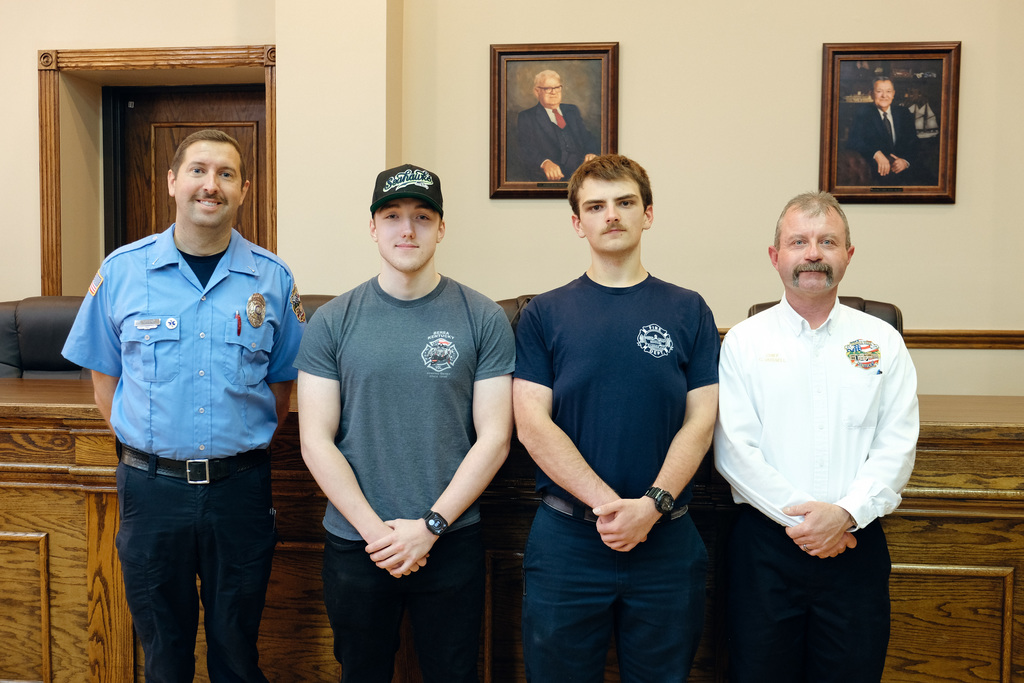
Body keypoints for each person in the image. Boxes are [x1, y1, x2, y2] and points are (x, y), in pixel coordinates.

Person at [62, 129, 305, 682]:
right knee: (164, 655)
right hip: (152, 491)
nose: (210, 185)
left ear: (243, 189)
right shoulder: (122, 271)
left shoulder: (273, 278)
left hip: (239, 492)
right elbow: (105, 385)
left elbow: (281, 390)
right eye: (198, 170)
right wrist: (155, 446)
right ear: (172, 182)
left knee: (237, 652)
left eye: (225, 174)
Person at [295, 163, 515, 683]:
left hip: (451, 538)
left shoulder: (483, 317)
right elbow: (315, 440)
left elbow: (495, 437)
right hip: (357, 542)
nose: (407, 229)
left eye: (422, 216)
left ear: (442, 228)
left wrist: (430, 527)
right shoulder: (332, 320)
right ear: (373, 227)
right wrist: (378, 534)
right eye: (392, 216)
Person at [513, 154, 720, 681]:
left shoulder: (689, 309)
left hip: (666, 540)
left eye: (625, 202)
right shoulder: (543, 314)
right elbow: (532, 424)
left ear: (647, 214)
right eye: (596, 206)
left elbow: (701, 422)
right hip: (568, 543)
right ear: (577, 222)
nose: (611, 215)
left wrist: (650, 507)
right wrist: (612, 509)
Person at [714, 191, 919, 682]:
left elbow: (896, 444)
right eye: (798, 242)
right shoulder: (744, 341)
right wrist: (810, 524)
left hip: (855, 545)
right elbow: (734, 450)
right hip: (765, 550)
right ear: (775, 256)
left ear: (848, 255)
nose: (813, 253)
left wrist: (843, 515)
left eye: (827, 241)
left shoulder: (883, 341)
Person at [516, 69, 600, 182]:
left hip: (581, 172)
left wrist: (591, 152)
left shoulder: (572, 110)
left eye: (557, 87)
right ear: (537, 92)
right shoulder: (527, 117)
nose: (554, 92)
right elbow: (526, 149)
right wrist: (545, 163)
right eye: (547, 88)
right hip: (554, 176)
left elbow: (587, 137)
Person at [847, 76, 920, 184]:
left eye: (888, 91)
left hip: (905, 173)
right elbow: (853, 141)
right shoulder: (863, 114)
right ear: (871, 94)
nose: (884, 95)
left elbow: (914, 143)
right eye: (879, 91)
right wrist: (876, 153)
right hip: (876, 174)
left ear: (893, 94)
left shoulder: (904, 113)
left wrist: (905, 161)